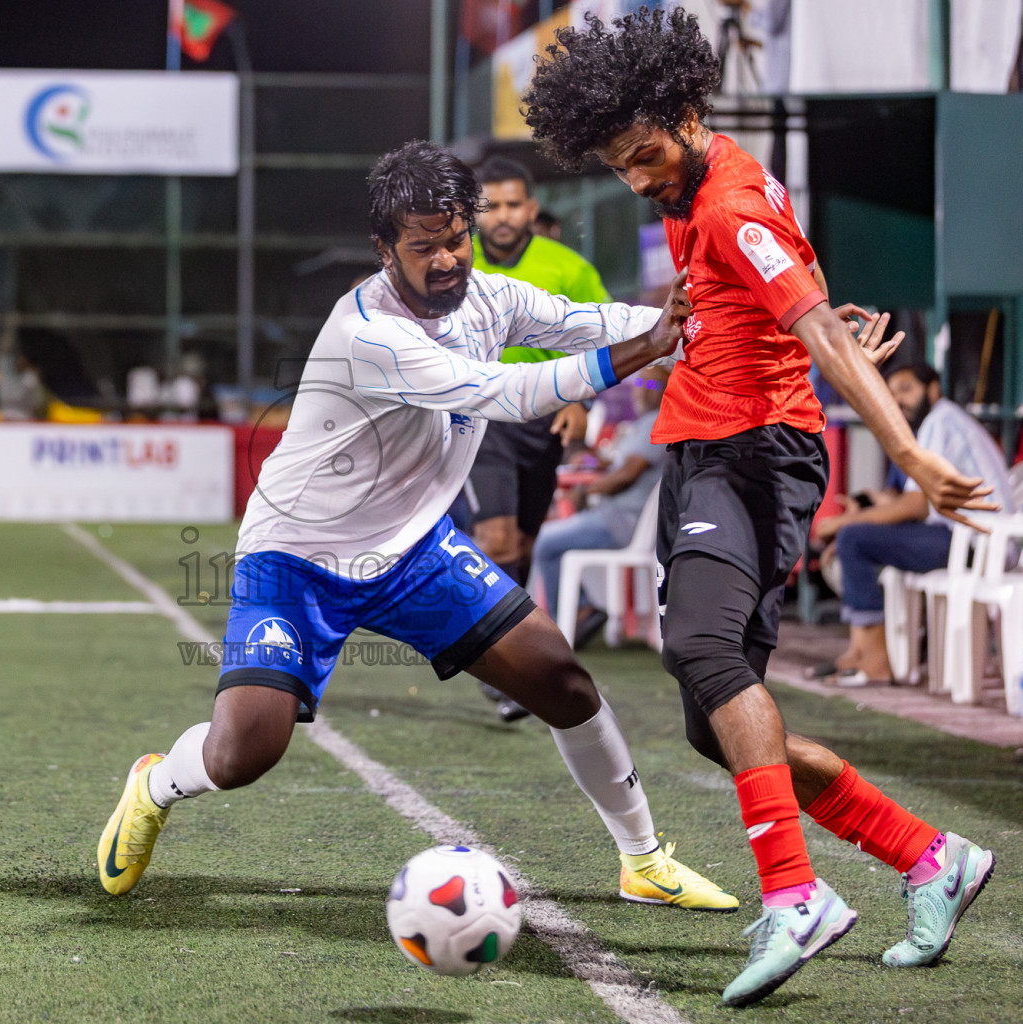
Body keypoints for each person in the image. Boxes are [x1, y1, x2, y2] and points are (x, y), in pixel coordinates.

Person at [98, 140, 739, 915]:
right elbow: (506, 391)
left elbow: (586, 320)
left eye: (456, 238)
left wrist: (708, 322)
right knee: (244, 752)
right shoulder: (370, 333)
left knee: (562, 681)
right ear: (384, 249)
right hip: (297, 554)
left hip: (412, 549)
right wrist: (648, 345)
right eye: (424, 246)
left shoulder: (490, 298)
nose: (446, 260)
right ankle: (156, 782)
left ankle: (643, 860)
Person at [526, 8, 998, 1006]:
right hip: (707, 450)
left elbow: (815, 322)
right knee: (715, 724)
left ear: (688, 112)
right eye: (617, 166)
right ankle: (927, 856)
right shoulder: (697, 178)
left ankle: (794, 894)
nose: (638, 178)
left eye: (644, 155)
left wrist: (905, 445)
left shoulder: (730, 198)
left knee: (702, 650)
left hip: (752, 457)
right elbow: (803, 285)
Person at [464, 156, 615, 721]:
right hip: (480, 412)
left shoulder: (566, 266)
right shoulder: (454, 262)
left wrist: (580, 398)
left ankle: (504, 657)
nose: (502, 216)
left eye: (512, 204)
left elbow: (600, 336)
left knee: (522, 546)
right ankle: (507, 668)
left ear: (530, 208)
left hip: (546, 416)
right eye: (491, 205)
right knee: (499, 542)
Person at [816, 364, 1012, 684]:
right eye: (892, 393)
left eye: (906, 389)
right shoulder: (938, 422)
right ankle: (859, 650)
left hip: (978, 543)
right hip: (962, 537)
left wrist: (845, 523)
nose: (898, 400)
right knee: (856, 537)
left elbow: (916, 505)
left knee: (854, 537)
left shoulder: (940, 421)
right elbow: (914, 502)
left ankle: (876, 661)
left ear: (933, 389)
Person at [533, 364, 669, 646]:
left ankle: (575, 616)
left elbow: (628, 472)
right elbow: (621, 461)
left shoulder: (657, 420)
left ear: (668, 392)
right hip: (620, 518)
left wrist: (587, 491)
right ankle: (580, 610)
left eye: (653, 386)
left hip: (622, 522)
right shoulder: (645, 424)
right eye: (641, 384)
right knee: (547, 539)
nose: (643, 392)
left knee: (544, 540)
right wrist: (596, 460)